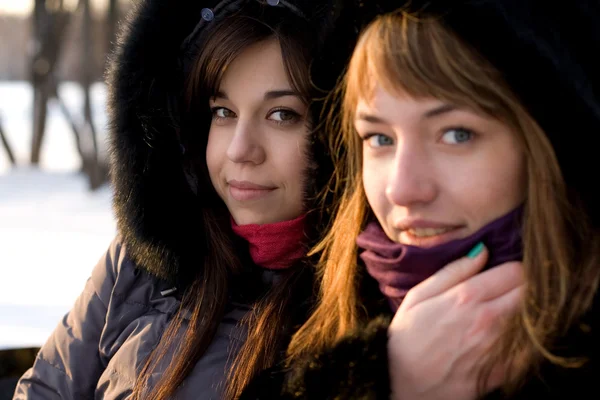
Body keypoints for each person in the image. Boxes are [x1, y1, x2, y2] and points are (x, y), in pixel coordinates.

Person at [240, 1, 600, 399]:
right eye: (380, 139)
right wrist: (390, 380)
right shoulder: (306, 332)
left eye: (456, 135)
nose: (402, 189)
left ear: (550, 145)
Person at [12, 0, 346, 399]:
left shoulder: (365, 311)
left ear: (336, 134)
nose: (241, 150)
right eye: (223, 112)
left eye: (282, 115)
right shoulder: (142, 263)